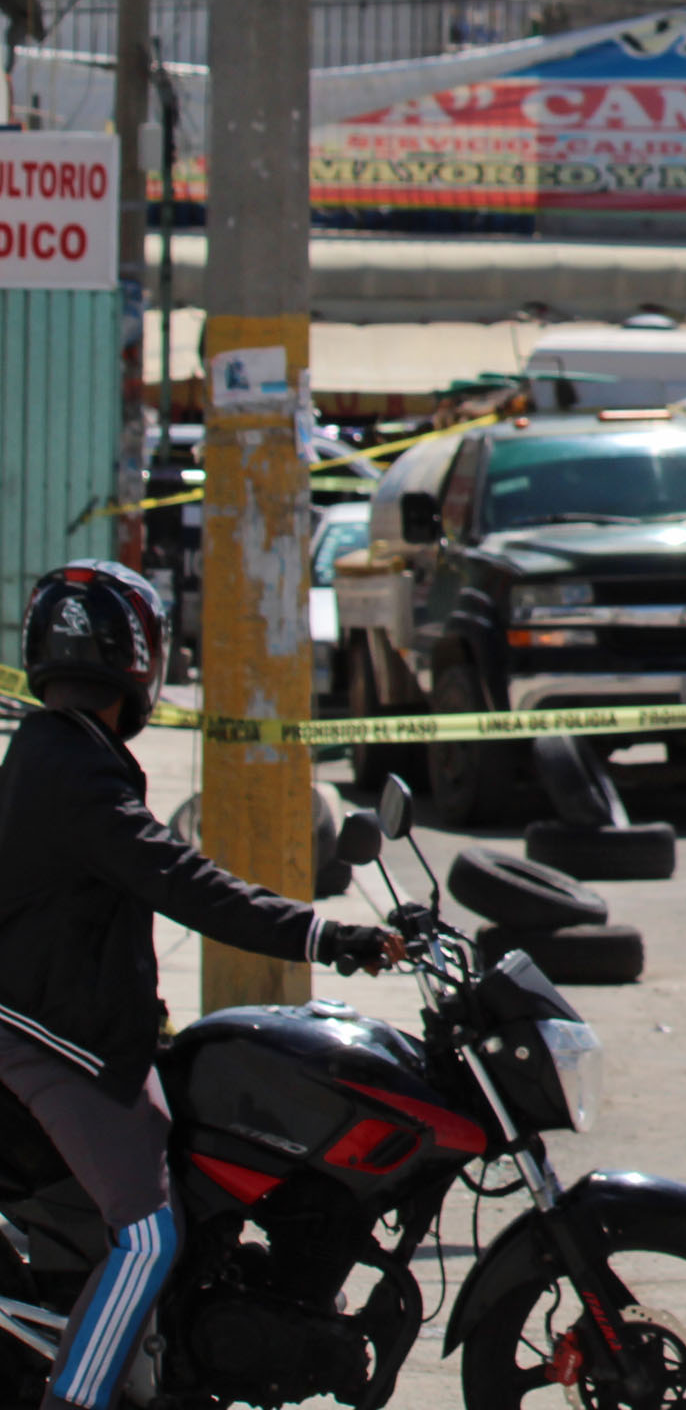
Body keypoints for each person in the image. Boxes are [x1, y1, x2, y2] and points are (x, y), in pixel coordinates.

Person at [0, 562, 399, 1410]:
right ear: (137, 658)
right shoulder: (74, 770)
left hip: (65, 1020)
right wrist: (327, 933)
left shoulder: (62, 750)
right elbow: (183, 881)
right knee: (148, 1234)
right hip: (49, 1040)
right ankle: (77, 1398)